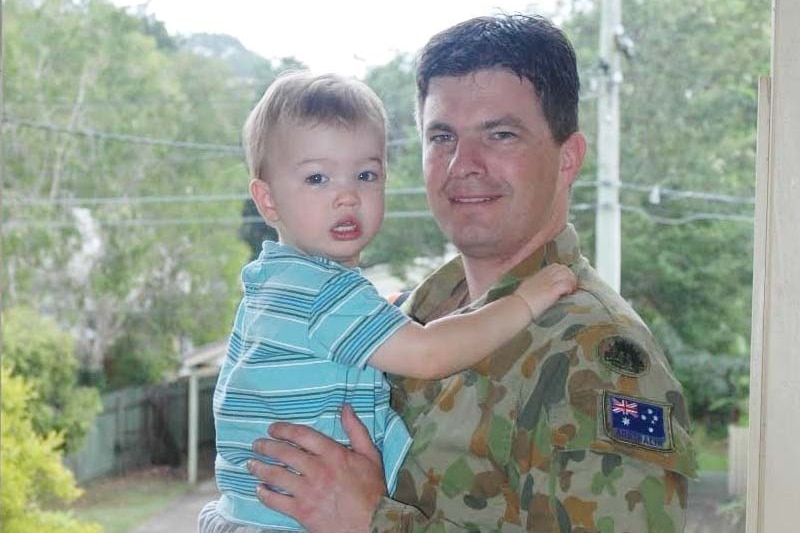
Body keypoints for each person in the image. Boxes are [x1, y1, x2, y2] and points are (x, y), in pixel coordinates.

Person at [200, 14, 697, 533]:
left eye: (500, 134)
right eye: (442, 137)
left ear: (568, 158)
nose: (464, 163)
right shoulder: (408, 311)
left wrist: (373, 521)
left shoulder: (597, 356)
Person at [206, 70, 577, 531]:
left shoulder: (277, 283)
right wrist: (523, 302)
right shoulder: (323, 294)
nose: (346, 196)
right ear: (268, 201)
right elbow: (428, 353)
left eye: (366, 175)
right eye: (317, 178)